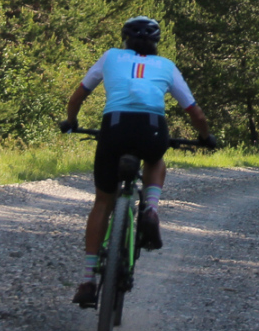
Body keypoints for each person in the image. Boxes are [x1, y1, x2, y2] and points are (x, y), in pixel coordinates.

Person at [60, 16, 214, 307]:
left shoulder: (110, 57)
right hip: (151, 128)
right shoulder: (166, 66)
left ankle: (88, 280)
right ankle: (151, 209)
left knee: (102, 203)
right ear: (157, 42)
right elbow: (196, 112)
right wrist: (206, 137)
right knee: (156, 158)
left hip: (114, 128)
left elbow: (78, 96)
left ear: (125, 39)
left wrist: (71, 121)